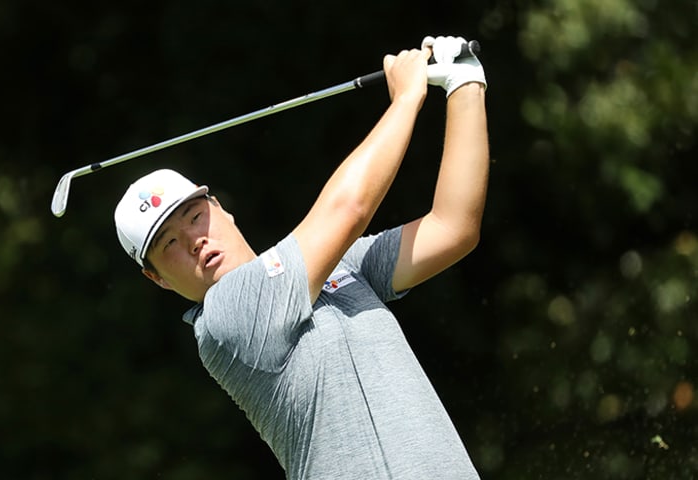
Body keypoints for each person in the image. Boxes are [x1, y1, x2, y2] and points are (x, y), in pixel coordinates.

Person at [114, 35, 489, 479]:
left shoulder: (341, 266)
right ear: (157, 279)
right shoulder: (224, 320)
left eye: (195, 216)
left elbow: (452, 228)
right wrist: (407, 98)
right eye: (169, 244)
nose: (193, 240)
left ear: (221, 209)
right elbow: (348, 209)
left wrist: (465, 83)